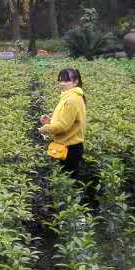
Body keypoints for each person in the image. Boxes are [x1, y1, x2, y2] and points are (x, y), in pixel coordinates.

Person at [39, 67, 93, 205]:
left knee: (69, 185)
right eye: (60, 80)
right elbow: (67, 122)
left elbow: (63, 126)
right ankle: (71, 215)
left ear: (75, 82)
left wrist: (45, 128)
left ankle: (73, 217)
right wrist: (51, 121)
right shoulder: (71, 97)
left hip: (69, 149)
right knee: (70, 181)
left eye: (66, 80)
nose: (62, 83)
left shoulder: (71, 100)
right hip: (71, 147)